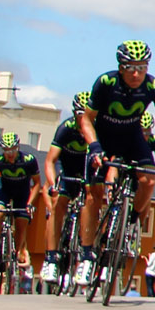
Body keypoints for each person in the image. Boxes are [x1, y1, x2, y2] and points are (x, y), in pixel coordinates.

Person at [74, 41, 155, 286]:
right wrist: (94, 146)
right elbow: (87, 120)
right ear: (120, 67)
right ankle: (87, 255)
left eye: (141, 67)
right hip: (104, 138)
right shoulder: (106, 83)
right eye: (130, 67)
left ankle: (129, 223)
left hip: (132, 138)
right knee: (92, 196)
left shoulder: (154, 86)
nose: (136, 73)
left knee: (149, 179)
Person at [41, 92, 93, 283]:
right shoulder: (66, 128)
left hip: (87, 168)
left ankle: (87, 253)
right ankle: (51, 258)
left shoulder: (97, 129)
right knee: (59, 202)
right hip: (67, 167)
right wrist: (53, 183)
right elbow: (50, 161)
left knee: (92, 201)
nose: (85, 119)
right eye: (81, 115)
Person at [0, 132, 42, 284]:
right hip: (4, 190)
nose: (10, 154)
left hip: (22, 193)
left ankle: (18, 255)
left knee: (21, 224)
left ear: (18, 147)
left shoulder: (28, 160)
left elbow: (37, 183)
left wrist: (30, 203)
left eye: (12, 150)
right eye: (6, 150)